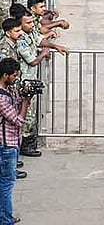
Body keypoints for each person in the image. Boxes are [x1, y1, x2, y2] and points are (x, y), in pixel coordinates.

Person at [17, 10, 68, 157]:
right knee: (25, 115)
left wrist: (55, 46)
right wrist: (43, 54)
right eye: (28, 22)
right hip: (24, 81)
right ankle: (23, 145)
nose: (32, 25)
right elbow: (32, 60)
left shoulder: (30, 32)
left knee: (31, 114)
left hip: (31, 79)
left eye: (32, 21)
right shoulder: (21, 38)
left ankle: (28, 143)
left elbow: (39, 40)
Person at [0, 57, 30, 225]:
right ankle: (5, 219)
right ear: (5, 75)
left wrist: (23, 96)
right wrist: (25, 102)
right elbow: (18, 120)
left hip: (12, 141)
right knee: (7, 183)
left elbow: (16, 104)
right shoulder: (1, 98)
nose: (17, 78)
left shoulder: (8, 90)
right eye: (14, 75)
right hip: (6, 145)